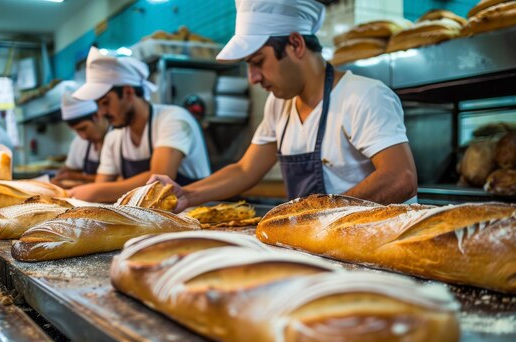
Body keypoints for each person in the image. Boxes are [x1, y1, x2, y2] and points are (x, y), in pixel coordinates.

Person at [151, 0, 417, 213]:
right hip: (321, 244)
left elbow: (400, 177)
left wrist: (318, 215)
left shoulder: (363, 95)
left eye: (257, 61)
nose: (252, 78)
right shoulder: (279, 105)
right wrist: (187, 195)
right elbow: (245, 170)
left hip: (374, 242)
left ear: (296, 44)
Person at [67, 48, 210, 202]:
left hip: (201, 217)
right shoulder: (114, 137)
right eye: (98, 106)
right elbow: (101, 185)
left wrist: (94, 192)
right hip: (153, 221)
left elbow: (160, 181)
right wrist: (92, 192)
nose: (101, 113)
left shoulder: (173, 119)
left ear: (128, 92)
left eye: (106, 103)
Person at [51, 90, 109, 188]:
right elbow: (68, 169)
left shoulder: (116, 137)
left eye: (83, 128)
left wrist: (77, 176)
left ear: (97, 116)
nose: (83, 136)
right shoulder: (79, 142)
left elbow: (117, 180)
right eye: (77, 131)